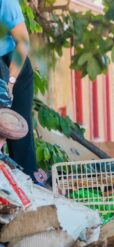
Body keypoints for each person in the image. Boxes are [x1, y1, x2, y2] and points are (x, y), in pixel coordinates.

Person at [0, 0, 36, 179]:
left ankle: (29, 187)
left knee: (18, 136)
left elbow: (22, 42)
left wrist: (10, 83)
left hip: (14, 65)